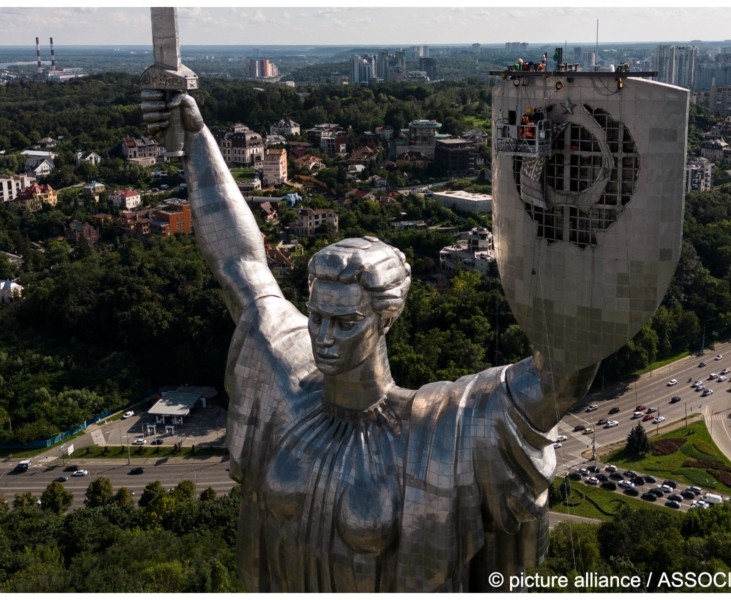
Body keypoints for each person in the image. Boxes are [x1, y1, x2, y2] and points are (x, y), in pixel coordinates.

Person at [141, 90, 598, 593]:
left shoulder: (438, 431)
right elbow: (240, 264)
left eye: (344, 323)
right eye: (315, 317)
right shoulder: (288, 386)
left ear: (384, 321)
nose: (322, 337)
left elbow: (559, 377)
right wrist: (197, 138)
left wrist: (575, 223)